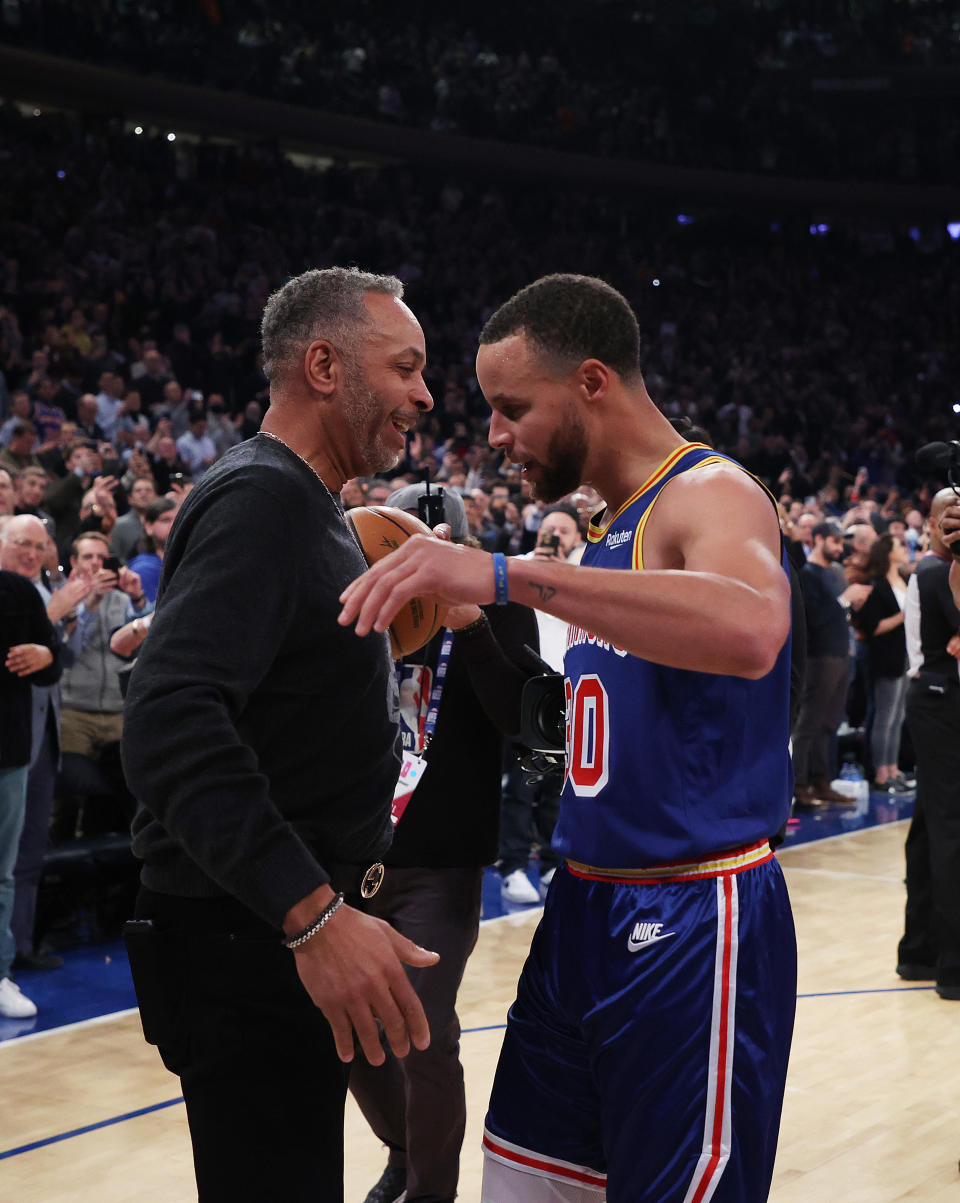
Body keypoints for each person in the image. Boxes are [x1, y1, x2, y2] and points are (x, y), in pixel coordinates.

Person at [340, 273, 796, 1202]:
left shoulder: (711, 493)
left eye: (512, 408)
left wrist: (508, 575)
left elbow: (753, 628)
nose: (496, 435)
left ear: (592, 382)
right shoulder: (601, 533)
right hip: (579, 906)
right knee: (521, 1186)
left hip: (691, 916)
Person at [121, 266, 439, 1203]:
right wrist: (314, 914)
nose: (425, 394)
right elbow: (172, 724)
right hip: (246, 940)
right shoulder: (264, 499)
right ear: (325, 364)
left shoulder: (307, 506)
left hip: (267, 936)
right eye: (407, 366)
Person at [349, 481, 539, 1203]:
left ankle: (431, 1192)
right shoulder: (355, 601)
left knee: (422, 1031)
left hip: (443, 855)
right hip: (354, 855)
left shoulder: (497, 607)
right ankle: (402, 1146)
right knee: (350, 1032)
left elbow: (523, 719)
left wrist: (471, 626)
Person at [499, 502, 584, 905]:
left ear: (577, 538)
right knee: (518, 786)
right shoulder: (518, 566)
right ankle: (513, 865)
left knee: (559, 787)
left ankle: (552, 862)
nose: (555, 537)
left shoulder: (586, 571)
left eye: (563, 531)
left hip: (569, 689)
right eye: (549, 528)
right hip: (525, 688)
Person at [896, 489, 960, 1000]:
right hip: (940, 698)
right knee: (949, 829)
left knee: (927, 829)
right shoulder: (936, 572)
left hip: (931, 699)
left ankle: (917, 948)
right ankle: (952, 964)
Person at [0, 564, 62, 1017]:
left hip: (9, 751)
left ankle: (0, 974)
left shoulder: (18, 590)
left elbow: (53, 659)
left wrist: (45, 654)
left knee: (2, 872)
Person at [791, 520, 871, 809]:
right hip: (819, 656)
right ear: (818, 539)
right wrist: (844, 601)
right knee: (809, 721)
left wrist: (850, 606)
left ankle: (821, 780)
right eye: (835, 542)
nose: (839, 548)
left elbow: (837, 613)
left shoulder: (835, 573)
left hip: (840, 653)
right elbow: (813, 619)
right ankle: (799, 785)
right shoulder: (808, 574)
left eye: (841, 543)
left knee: (829, 722)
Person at [852, 533, 914, 792]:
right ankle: (880, 772)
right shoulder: (877, 585)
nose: (904, 548)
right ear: (888, 553)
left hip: (903, 656)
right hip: (885, 657)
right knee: (885, 717)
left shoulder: (903, 579)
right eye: (899, 545)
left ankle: (894, 768)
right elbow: (872, 627)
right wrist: (903, 616)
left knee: (898, 716)